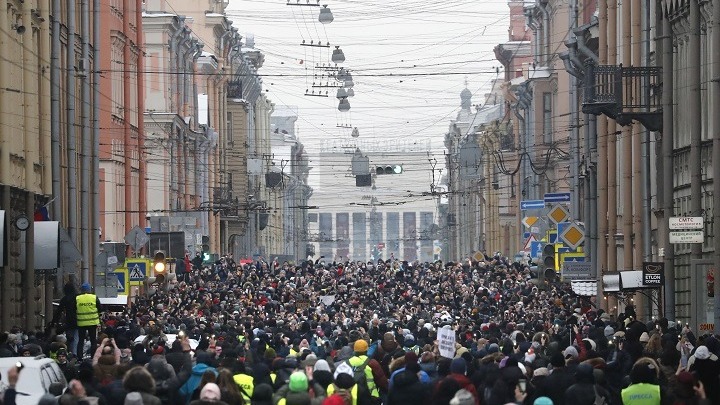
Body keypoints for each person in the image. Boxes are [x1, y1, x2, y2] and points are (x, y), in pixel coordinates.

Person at [51, 282, 79, 357]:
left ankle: (70, 352)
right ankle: (75, 354)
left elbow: (59, 311)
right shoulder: (77, 297)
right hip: (78, 321)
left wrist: (54, 321)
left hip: (69, 321)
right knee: (76, 338)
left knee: (70, 338)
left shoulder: (65, 299)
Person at [76, 282, 102, 359]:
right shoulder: (94, 297)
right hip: (93, 322)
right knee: (93, 340)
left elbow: (74, 309)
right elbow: (100, 308)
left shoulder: (77, 298)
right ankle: (93, 356)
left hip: (81, 323)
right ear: (89, 290)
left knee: (80, 341)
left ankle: (79, 357)